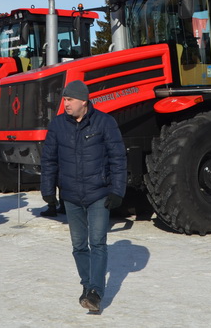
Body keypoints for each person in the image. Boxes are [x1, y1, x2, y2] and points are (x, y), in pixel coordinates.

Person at [40, 80, 127, 313]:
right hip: (70, 195)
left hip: (98, 193)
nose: (65, 104)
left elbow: (118, 158)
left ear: (83, 102)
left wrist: (117, 191)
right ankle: (87, 286)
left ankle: (95, 292)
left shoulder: (105, 123)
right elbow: (49, 160)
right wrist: (48, 190)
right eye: (64, 99)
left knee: (97, 242)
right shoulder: (58, 125)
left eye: (70, 100)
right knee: (79, 245)